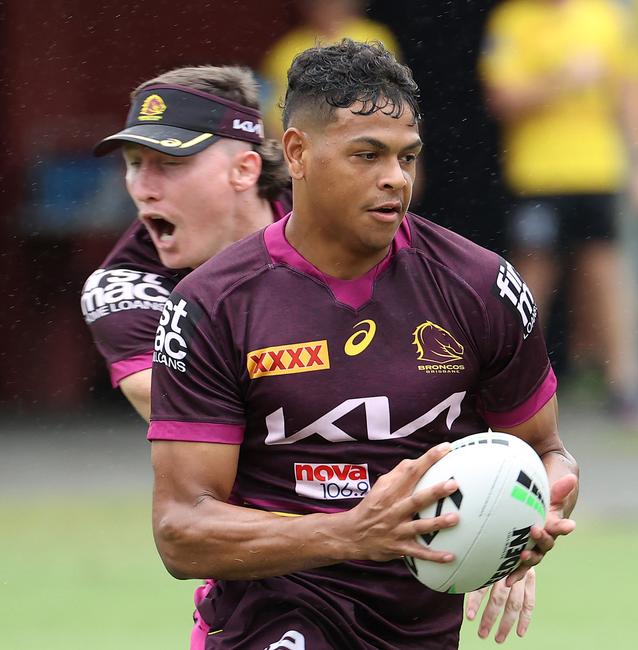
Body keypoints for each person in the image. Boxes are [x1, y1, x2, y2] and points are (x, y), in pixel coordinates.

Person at [148, 40, 579, 650]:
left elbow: (547, 451)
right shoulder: (212, 305)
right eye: (366, 154)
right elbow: (182, 529)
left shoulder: (484, 288)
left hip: (420, 629)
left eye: (407, 158)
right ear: (296, 152)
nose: (394, 179)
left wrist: (527, 517)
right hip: (272, 616)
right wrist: (352, 533)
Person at [80, 65, 291, 420]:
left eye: (169, 162)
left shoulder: (332, 219)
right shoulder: (122, 287)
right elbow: (194, 418)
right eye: (133, 163)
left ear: (244, 170)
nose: (143, 189)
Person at [479, 0, 638, 417]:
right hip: (539, 174)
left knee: (605, 274)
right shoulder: (511, 20)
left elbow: (627, 93)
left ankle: (623, 386)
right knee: (530, 277)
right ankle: (507, 383)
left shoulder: (604, 16)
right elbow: (501, 99)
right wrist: (561, 80)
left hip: (597, 171)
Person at [260, 0, 401, 136]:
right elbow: (276, 114)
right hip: (311, 139)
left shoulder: (374, 36)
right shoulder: (285, 50)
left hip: (370, 132)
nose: (327, 7)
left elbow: (396, 94)